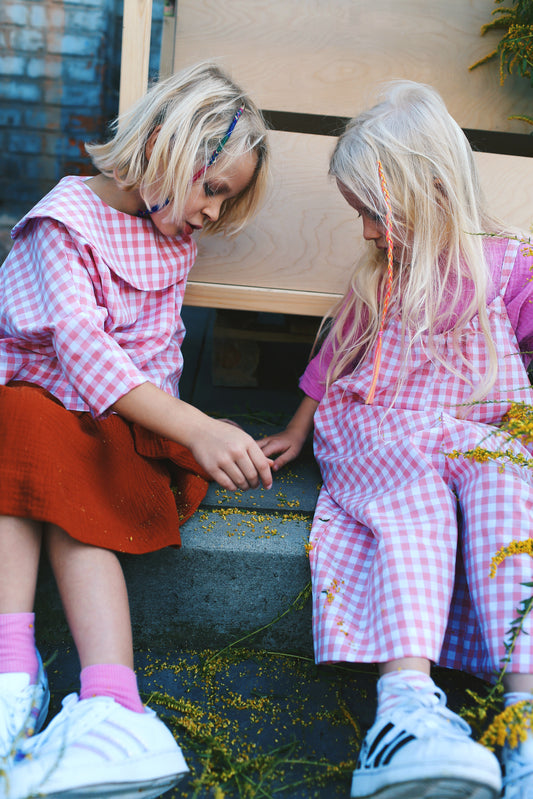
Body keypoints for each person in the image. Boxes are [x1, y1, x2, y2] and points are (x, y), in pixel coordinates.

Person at [0, 61, 272, 799]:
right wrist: (198, 424)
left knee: (64, 467)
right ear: (160, 142)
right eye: (211, 188)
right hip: (42, 424)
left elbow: (147, 364)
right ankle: (16, 679)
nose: (211, 213)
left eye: (227, 199)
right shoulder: (65, 220)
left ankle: (112, 710)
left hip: (120, 434)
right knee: (26, 427)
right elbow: (81, 349)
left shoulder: (170, 239)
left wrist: (191, 431)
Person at [259, 80, 533, 799]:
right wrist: (295, 430)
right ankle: (405, 708)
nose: (368, 233)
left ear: (433, 187)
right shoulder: (380, 277)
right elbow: (332, 361)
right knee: (417, 496)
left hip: (469, 433)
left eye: (375, 214)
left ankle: (525, 713)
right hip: (379, 431)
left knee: (507, 478)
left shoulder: (508, 267)